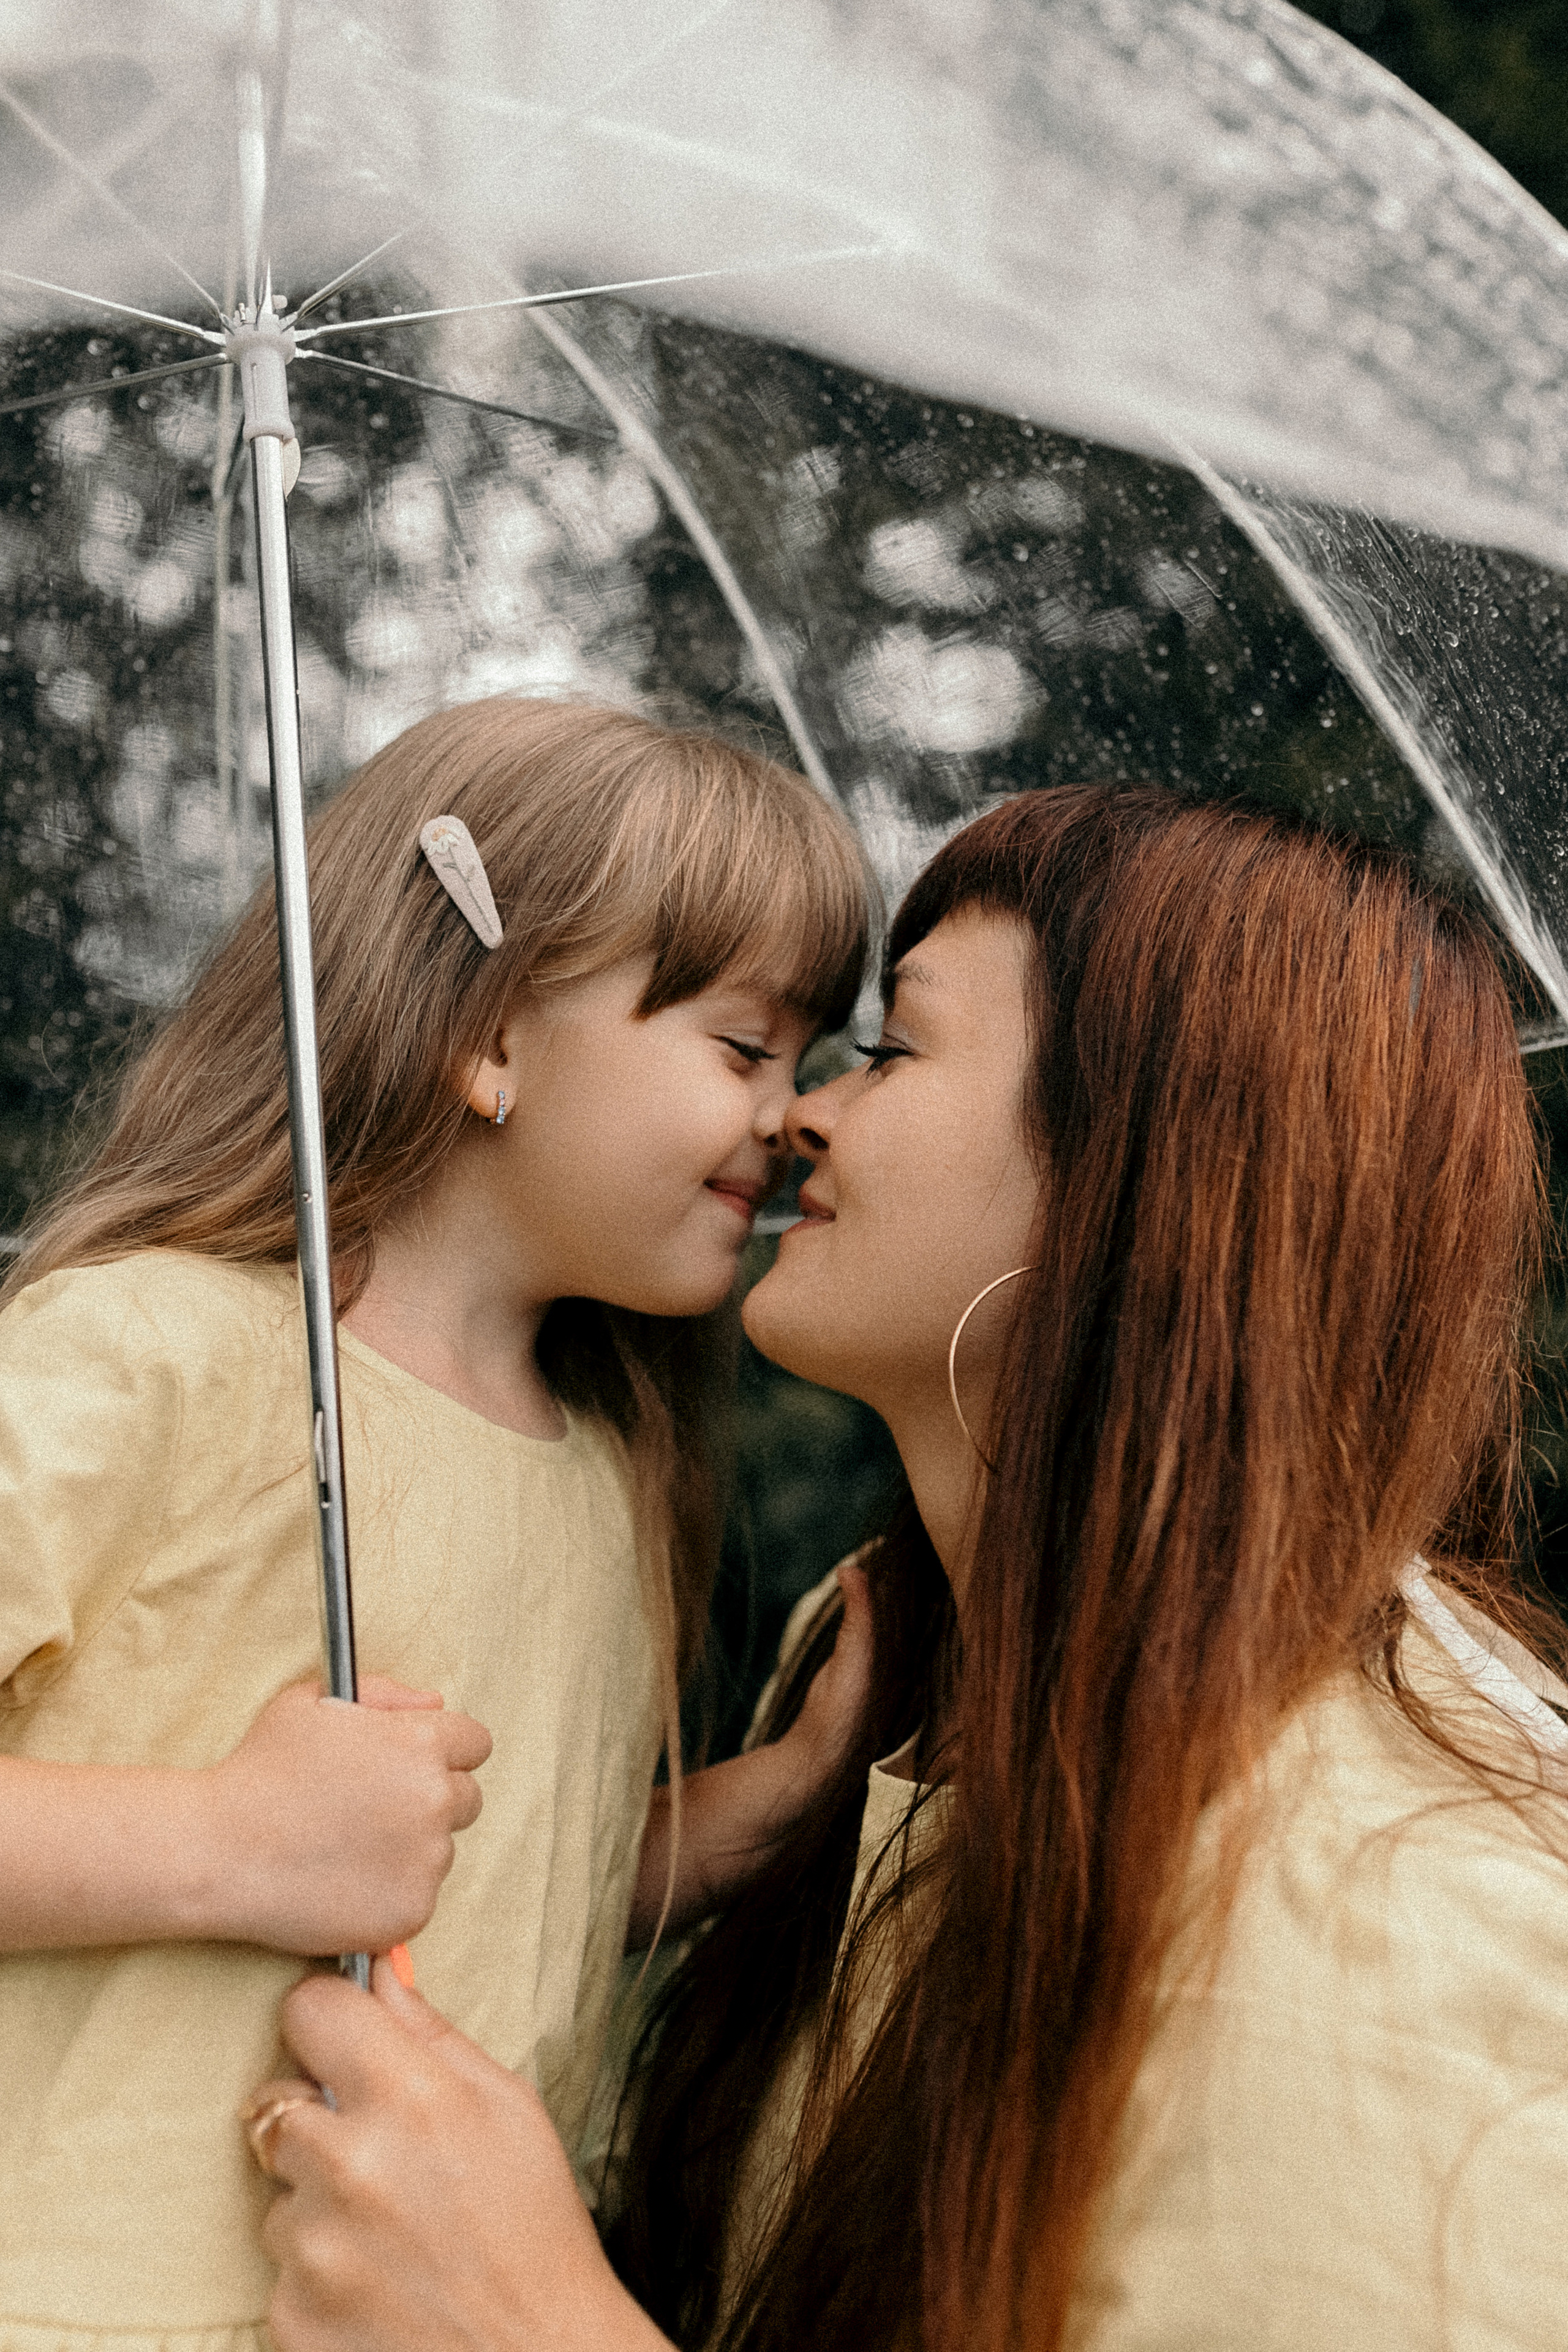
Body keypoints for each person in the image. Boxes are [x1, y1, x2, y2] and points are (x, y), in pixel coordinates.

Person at [251, 783, 1568, 2352]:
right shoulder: (883, 1671)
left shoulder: (1395, 1916)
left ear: (1131, 1160)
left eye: (888, 1050)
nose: (799, 1110)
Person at [0, 695, 875, 2351]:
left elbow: (489, 1886)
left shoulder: (609, 1477)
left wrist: (785, 1802)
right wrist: (226, 1844)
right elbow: (306, 1854)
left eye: (816, 1060)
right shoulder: (151, 1354)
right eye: (745, 1046)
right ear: (489, 1035)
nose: (795, 1115)